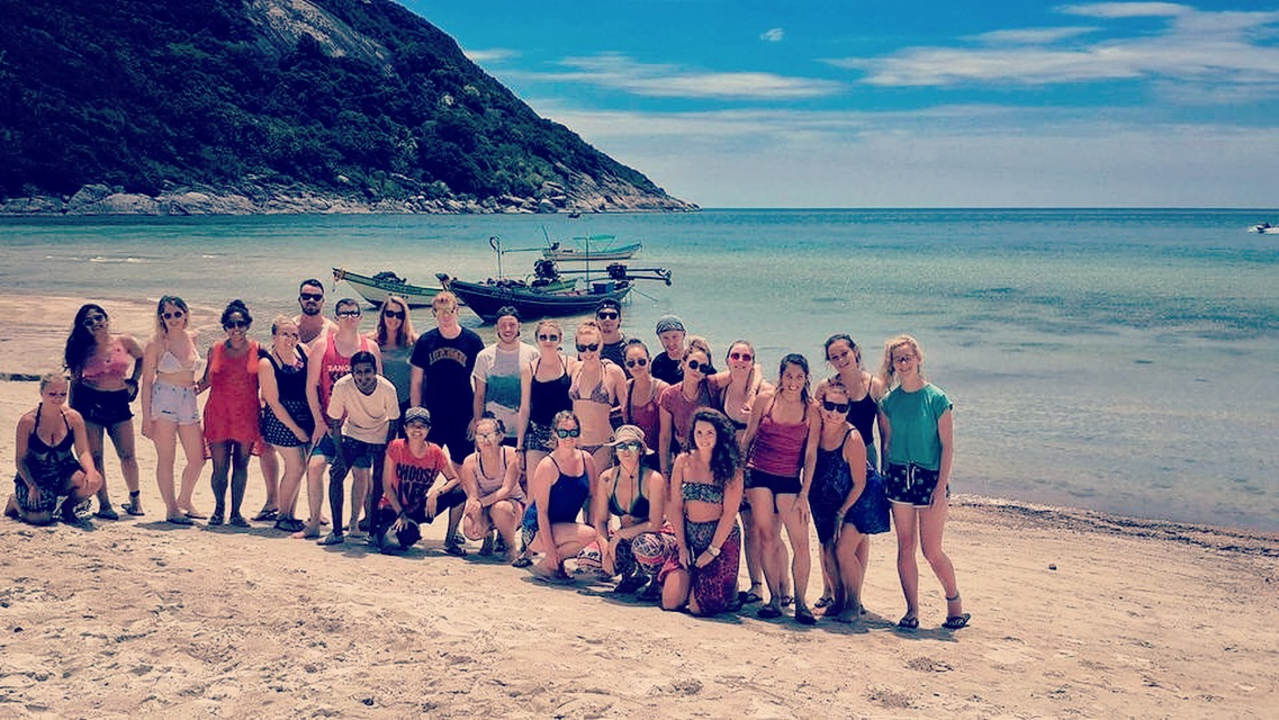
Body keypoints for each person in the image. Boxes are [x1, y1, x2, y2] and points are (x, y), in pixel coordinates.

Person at [877, 334, 968, 630]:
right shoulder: (889, 402)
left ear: (918, 359)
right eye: (897, 359)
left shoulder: (937, 399)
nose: (902, 364)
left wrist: (941, 487)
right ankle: (911, 610)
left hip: (930, 479)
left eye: (907, 358)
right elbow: (887, 445)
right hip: (899, 478)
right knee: (905, 547)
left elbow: (948, 447)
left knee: (931, 550)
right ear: (892, 364)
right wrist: (884, 479)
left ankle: (954, 604)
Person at [741, 353, 820, 624]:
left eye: (799, 376)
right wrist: (738, 476)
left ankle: (801, 602)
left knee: (801, 543)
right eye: (789, 376)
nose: (793, 382)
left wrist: (804, 494)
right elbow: (748, 438)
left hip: (789, 480)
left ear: (807, 378)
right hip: (759, 473)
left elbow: (810, 456)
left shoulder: (813, 409)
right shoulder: (765, 400)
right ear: (781, 376)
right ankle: (773, 599)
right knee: (767, 537)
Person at [812, 333, 886, 609]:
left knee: (858, 530)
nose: (840, 360)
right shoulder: (826, 386)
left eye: (844, 353)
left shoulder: (874, 385)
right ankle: (829, 589)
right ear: (829, 361)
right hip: (829, 458)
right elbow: (810, 419)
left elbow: (885, 431)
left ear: (855, 351)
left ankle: (856, 592)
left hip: (864, 454)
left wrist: (886, 470)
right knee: (827, 528)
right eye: (834, 357)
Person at [709, 338, 783, 608]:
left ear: (753, 361)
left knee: (764, 530)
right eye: (735, 356)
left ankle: (773, 586)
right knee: (738, 525)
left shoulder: (765, 390)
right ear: (728, 360)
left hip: (759, 467)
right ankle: (749, 583)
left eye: (746, 358)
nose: (740, 361)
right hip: (732, 467)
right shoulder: (723, 390)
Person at [302, 298, 380, 539]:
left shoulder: (370, 348)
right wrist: (318, 421)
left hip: (359, 427)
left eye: (353, 313)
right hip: (329, 424)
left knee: (361, 473)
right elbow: (311, 386)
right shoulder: (322, 347)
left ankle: (354, 524)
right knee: (314, 467)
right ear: (335, 318)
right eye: (343, 313)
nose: (348, 317)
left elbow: (378, 388)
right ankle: (314, 521)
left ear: (359, 317)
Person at [63, 304, 144, 519]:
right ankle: (105, 505)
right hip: (89, 403)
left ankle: (135, 501)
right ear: (83, 327)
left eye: (98, 318)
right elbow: (75, 381)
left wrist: (134, 382)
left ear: (106, 318)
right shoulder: (81, 349)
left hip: (118, 402)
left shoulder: (124, 342)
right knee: (96, 456)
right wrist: (72, 415)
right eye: (88, 322)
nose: (95, 323)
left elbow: (142, 357)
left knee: (127, 455)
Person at [661, 408, 744, 617]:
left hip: (719, 541)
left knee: (699, 608)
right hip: (688, 538)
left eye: (709, 433)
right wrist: (681, 546)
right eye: (699, 433)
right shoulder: (682, 461)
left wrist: (712, 550)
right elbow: (676, 507)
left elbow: (729, 514)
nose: (703, 438)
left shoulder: (731, 468)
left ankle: (728, 587)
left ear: (719, 435)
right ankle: (691, 580)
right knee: (670, 602)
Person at [317, 351, 400, 546]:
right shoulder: (342, 386)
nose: (363, 377)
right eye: (358, 372)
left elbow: (394, 422)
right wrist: (340, 455)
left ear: (375, 371)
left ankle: (372, 532)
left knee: (379, 481)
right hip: (353, 432)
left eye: (367, 372)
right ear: (352, 372)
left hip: (380, 433)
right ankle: (337, 532)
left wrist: (387, 452)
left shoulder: (387, 388)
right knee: (336, 474)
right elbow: (335, 422)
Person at [139, 295, 206, 525]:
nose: (173, 319)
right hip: (164, 399)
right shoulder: (156, 343)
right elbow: (146, 382)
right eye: (167, 315)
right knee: (166, 458)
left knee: (197, 458)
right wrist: (146, 418)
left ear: (186, 314)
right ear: (161, 318)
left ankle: (184, 500)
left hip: (189, 399)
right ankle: (171, 509)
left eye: (177, 313)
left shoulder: (193, 338)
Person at [588, 425, 677, 596]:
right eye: (621, 446)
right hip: (626, 537)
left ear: (641, 451)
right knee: (589, 556)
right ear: (615, 451)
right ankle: (629, 576)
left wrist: (620, 535)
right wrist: (606, 548)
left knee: (644, 546)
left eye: (632, 445)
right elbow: (600, 520)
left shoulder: (653, 479)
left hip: (654, 536)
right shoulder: (606, 478)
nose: (626, 451)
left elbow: (655, 524)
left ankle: (656, 580)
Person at [5, 373, 103, 526]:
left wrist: (91, 472)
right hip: (37, 475)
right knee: (40, 518)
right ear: (42, 393)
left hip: (63, 470)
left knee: (94, 481)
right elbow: (20, 460)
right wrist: (32, 485)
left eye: (63, 394)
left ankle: (67, 508)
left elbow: (83, 451)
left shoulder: (73, 418)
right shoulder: (28, 422)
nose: (58, 399)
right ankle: (14, 502)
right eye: (52, 394)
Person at [198, 300, 261, 527]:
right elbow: (205, 382)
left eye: (241, 323)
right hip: (218, 414)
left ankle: (236, 513)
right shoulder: (214, 349)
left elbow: (268, 381)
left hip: (246, 415)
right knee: (219, 467)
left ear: (248, 325)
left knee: (241, 465)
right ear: (225, 326)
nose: (236, 328)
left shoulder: (258, 349)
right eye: (231, 324)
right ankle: (218, 509)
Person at [376, 407, 468, 554]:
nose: (417, 429)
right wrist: (400, 514)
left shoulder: (435, 451)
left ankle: (450, 540)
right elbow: (387, 486)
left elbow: (454, 480)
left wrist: (435, 493)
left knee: (459, 493)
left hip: (419, 507)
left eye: (422, 426)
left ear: (428, 429)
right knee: (393, 545)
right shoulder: (396, 447)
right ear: (405, 428)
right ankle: (392, 530)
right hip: (393, 509)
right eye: (412, 425)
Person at [409, 291, 484, 472]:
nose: (445, 316)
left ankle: (462, 500)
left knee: (464, 467)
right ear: (434, 313)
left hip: (463, 415)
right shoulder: (426, 341)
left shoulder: (472, 341)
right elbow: (416, 383)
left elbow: (481, 384)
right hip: (433, 415)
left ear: (457, 310)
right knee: (425, 466)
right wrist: (416, 417)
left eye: (449, 311)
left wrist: (477, 419)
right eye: (440, 311)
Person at [522, 410, 598, 583]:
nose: (568, 437)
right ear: (555, 433)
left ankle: (555, 563)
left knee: (593, 535)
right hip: (536, 529)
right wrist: (550, 552)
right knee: (589, 535)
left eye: (573, 432)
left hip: (564, 525)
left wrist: (596, 527)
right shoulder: (547, 466)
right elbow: (541, 512)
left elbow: (593, 498)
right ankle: (548, 564)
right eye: (563, 432)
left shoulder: (587, 460)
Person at [257, 315, 314, 534]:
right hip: (281, 421)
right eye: (284, 334)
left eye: (293, 335)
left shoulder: (303, 353)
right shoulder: (267, 363)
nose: (289, 339)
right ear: (274, 336)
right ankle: (282, 516)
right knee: (296, 466)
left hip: (304, 416)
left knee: (298, 468)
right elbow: (273, 402)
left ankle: (290, 513)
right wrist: (296, 429)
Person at [518, 319, 574, 500]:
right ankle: (532, 529)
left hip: (564, 435)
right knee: (535, 493)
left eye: (552, 337)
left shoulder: (571, 365)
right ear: (537, 340)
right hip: (536, 432)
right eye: (543, 337)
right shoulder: (529, 369)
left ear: (560, 339)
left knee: (563, 491)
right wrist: (519, 447)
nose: (548, 341)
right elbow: (525, 408)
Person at [458, 415, 525, 562]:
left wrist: (480, 504)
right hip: (485, 504)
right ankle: (488, 537)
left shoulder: (511, 455)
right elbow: (473, 494)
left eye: (490, 435)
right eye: (480, 436)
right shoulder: (470, 462)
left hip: (511, 506)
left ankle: (510, 546)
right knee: (470, 529)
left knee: (500, 508)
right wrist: (475, 512)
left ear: (500, 436)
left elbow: (506, 489)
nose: (485, 440)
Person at [569, 320, 628, 481]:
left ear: (600, 344)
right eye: (582, 348)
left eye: (592, 347)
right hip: (576, 445)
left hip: (603, 445)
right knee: (581, 498)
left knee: (598, 495)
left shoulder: (613, 372)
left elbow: (627, 410)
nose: (588, 352)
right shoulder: (574, 368)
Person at [472, 306, 536, 448]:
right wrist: (478, 424)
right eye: (503, 325)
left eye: (512, 325)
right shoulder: (484, 356)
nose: (508, 329)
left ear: (519, 326)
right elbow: (479, 395)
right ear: (496, 328)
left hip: (525, 430)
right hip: (493, 431)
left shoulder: (532, 354)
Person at [657, 337, 715, 478]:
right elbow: (665, 437)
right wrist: (665, 472)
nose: (697, 370)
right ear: (683, 364)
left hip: (711, 457)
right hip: (684, 458)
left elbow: (742, 371)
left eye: (703, 367)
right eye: (693, 364)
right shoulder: (669, 395)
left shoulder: (712, 385)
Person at [621, 339, 667, 472]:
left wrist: (665, 470)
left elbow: (666, 435)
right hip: (633, 457)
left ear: (649, 361)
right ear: (626, 366)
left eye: (641, 361)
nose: (637, 366)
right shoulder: (627, 387)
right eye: (631, 363)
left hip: (657, 459)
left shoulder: (662, 389)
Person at [369, 295, 417, 411]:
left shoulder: (415, 342)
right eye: (390, 314)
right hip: (379, 406)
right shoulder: (370, 342)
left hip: (407, 404)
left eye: (399, 315)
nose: (394, 318)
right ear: (383, 315)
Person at [294, 278, 338, 347]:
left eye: (316, 297)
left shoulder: (332, 332)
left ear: (323, 301)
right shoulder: (290, 327)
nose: (311, 300)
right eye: (306, 296)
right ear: (299, 300)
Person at [650, 315, 687, 385]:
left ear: (684, 335)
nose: (671, 343)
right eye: (665, 338)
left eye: (675, 337)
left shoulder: (694, 360)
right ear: (659, 338)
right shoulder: (658, 363)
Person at [594, 299, 627, 373]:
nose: (607, 319)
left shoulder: (629, 347)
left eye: (613, 316)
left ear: (620, 320)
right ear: (596, 320)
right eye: (603, 316)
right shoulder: (589, 348)